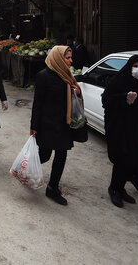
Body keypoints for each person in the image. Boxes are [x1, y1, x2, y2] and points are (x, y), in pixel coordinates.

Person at [30, 45, 82, 206]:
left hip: (64, 124)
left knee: (61, 155)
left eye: (71, 57)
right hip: (47, 125)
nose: (71, 61)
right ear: (59, 58)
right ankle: (26, 168)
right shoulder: (43, 76)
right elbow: (37, 104)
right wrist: (34, 126)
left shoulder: (67, 75)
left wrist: (78, 92)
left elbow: (75, 96)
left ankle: (52, 188)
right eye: (67, 58)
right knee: (44, 155)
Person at [102, 55, 138, 208]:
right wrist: (124, 99)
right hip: (117, 126)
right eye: (136, 66)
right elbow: (106, 101)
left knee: (132, 159)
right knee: (121, 158)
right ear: (129, 66)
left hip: (134, 127)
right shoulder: (118, 80)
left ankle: (121, 188)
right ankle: (114, 189)